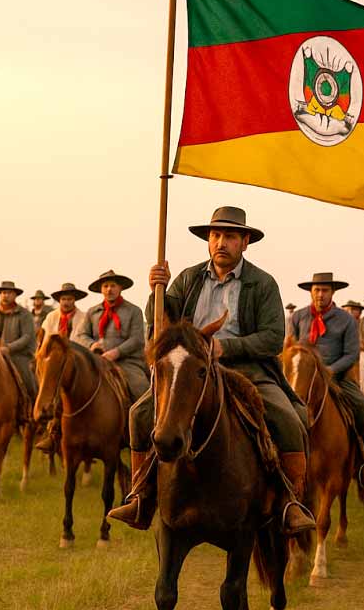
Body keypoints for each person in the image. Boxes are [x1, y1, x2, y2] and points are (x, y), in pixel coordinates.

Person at [108, 206, 315, 535]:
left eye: (230, 236)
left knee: (289, 419)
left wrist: (226, 347)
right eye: (216, 235)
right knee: (139, 413)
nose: (221, 242)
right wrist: (156, 290)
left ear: (244, 242)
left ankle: (290, 502)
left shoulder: (262, 284)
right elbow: (162, 324)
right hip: (191, 370)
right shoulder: (188, 278)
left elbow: (273, 337)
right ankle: (141, 496)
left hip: (247, 370)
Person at [288, 273, 364, 488]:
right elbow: (290, 347)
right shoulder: (298, 317)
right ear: (311, 292)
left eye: (325, 290)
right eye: (317, 290)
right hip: (303, 377)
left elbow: (351, 354)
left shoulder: (346, 320)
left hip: (336, 377)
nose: (320, 294)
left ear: (333, 293)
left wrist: (329, 371)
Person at [71, 269, 149, 399]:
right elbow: (81, 335)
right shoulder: (92, 312)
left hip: (127, 362)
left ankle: (146, 412)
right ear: (101, 290)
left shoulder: (134, 311)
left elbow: (137, 339)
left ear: (120, 288)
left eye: (113, 285)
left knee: (141, 389)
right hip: (96, 361)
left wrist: (117, 352)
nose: (109, 289)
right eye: (105, 286)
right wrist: (92, 345)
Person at [34, 282, 90, 453]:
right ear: (59, 300)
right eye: (64, 299)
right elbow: (44, 340)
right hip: (54, 362)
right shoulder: (51, 317)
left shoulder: (83, 317)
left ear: (75, 300)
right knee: (42, 384)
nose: (66, 302)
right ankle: (48, 429)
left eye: (69, 299)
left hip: (75, 362)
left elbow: (83, 341)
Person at [0, 280, 37, 398]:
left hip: (18, 355)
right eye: (3, 293)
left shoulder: (24, 314)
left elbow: (27, 337)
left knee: (27, 379)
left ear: (15, 295)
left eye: (9, 293)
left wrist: (9, 348)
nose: (5, 295)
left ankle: (32, 403)